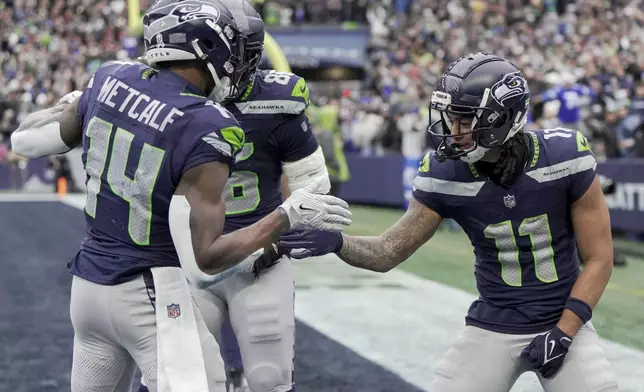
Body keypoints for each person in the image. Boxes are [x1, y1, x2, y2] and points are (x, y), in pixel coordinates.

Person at [10, 1, 351, 391]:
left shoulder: (109, 78)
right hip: (153, 289)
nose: (241, 63)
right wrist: (284, 217)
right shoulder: (207, 121)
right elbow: (204, 260)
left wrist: (71, 104)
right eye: (235, 50)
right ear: (208, 47)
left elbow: (26, 140)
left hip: (88, 287)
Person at [279, 52, 619, 392]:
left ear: (503, 117)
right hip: (493, 326)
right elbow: (388, 251)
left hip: (562, 323)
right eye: (450, 118)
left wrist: (564, 331)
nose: (453, 131)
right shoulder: (446, 174)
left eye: (465, 120)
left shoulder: (564, 157)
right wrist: (339, 242)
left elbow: (599, 258)